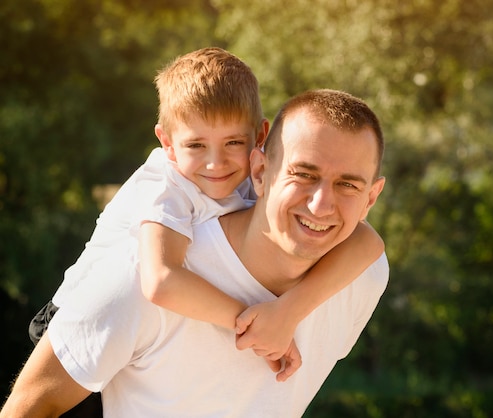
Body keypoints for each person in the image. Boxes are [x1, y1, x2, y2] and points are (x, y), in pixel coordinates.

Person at [24, 48, 384, 415]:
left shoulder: (245, 178)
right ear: (168, 143)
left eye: (232, 142)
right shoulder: (166, 193)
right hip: (74, 319)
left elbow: (369, 242)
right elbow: (161, 281)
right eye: (196, 145)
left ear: (258, 141)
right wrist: (251, 321)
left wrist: (287, 312)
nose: (216, 162)